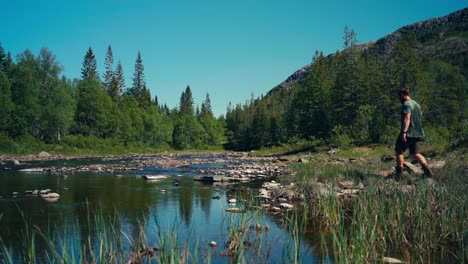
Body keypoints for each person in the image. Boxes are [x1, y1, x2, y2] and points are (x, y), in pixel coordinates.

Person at [394, 86, 433, 180]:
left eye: (400, 96)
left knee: (398, 150)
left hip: (409, 132)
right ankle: (428, 171)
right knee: (415, 153)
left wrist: (404, 132)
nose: (399, 98)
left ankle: (399, 175)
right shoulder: (417, 104)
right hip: (418, 133)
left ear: (403, 95)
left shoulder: (406, 104)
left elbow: (407, 118)